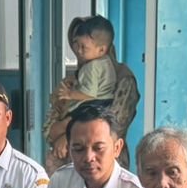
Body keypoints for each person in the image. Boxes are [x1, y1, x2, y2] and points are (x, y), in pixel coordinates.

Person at [44, 15, 140, 171]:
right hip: (68, 163)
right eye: (75, 43)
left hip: (105, 163)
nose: (78, 50)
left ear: (102, 47)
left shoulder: (123, 78)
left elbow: (116, 123)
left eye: (84, 45)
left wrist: (69, 135)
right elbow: (52, 124)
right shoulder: (75, 80)